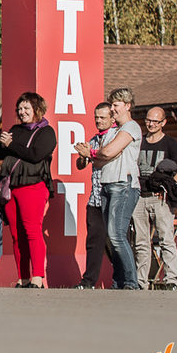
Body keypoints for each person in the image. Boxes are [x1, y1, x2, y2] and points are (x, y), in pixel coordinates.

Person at [74, 87, 142, 290]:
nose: (112, 109)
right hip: (107, 184)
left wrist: (93, 152)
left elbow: (109, 151)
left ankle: (131, 281)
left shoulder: (131, 127)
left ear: (127, 106)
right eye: (111, 105)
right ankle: (119, 280)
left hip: (124, 184)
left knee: (117, 235)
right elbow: (100, 161)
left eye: (115, 105)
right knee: (111, 239)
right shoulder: (114, 132)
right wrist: (96, 155)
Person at [0, 91, 57, 288]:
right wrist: (5, 144)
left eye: (26, 108)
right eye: (20, 109)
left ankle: (37, 277)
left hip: (33, 185)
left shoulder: (46, 133)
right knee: (15, 234)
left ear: (37, 110)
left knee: (32, 231)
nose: (22, 112)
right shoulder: (15, 129)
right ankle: (22, 277)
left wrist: (11, 144)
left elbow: (35, 155)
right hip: (11, 187)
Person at [132, 105, 177, 290]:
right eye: (148, 120)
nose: (151, 124)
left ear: (163, 122)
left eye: (155, 121)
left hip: (161, 199)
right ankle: (141, 281)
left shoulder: (170, 143)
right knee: (141, 242)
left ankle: (171, 279)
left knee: (166, 239)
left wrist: (170, 188)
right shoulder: (139, 141)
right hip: (140, 196)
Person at [74, 102, 118, 289]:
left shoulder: (117, 137)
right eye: (96, 117)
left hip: (114, 196)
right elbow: (80, 165)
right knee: (94, 241)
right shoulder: (93, 139)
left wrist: (90, 154)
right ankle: (88, 281)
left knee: (117, 241)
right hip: (95, 199)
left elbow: (107, 157)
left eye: (102, 117)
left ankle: (125, 279)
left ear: (112, 118)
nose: (98, 121)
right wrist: (83, 156)